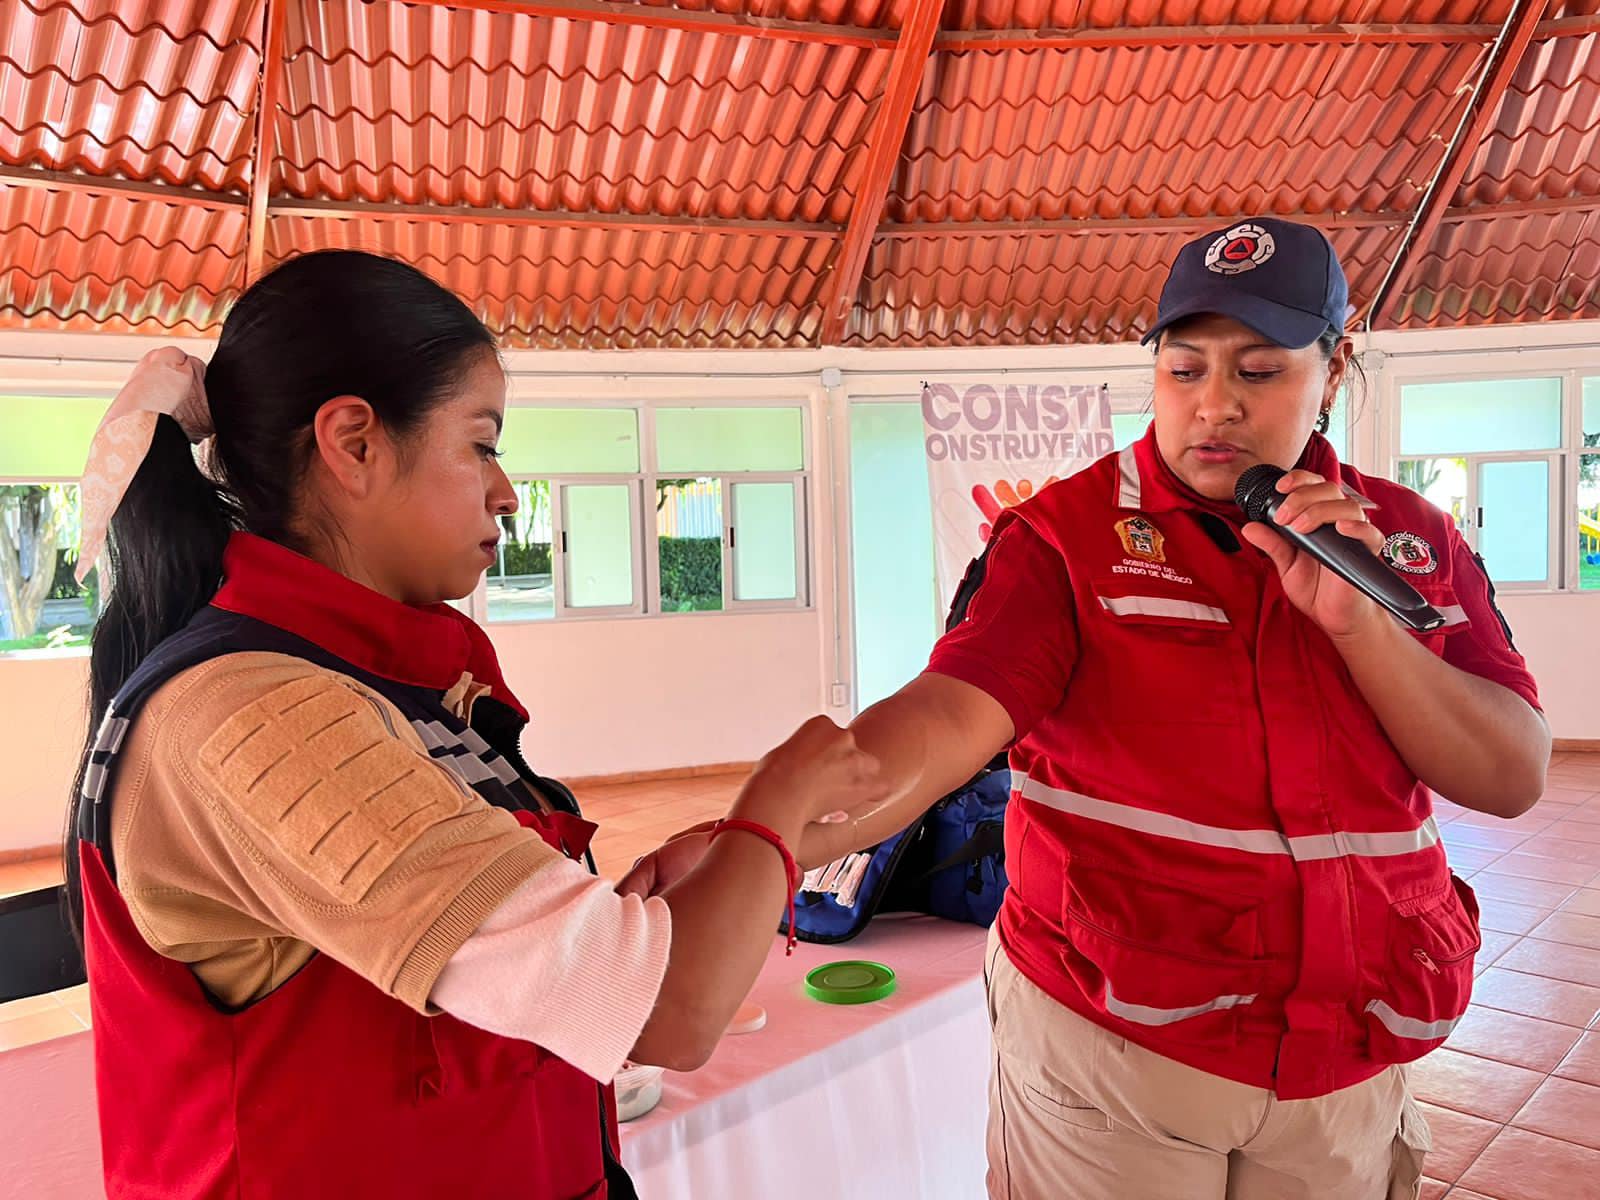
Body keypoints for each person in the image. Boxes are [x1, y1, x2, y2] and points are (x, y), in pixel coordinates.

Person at [63, 249, 884, 1200]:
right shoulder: (256, 720)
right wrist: (774, 801)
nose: (504, 490)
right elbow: (669, 1010)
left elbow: (442, 958)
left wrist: (589, 913)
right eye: (481, 442)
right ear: (354, 444)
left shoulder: (380, 681)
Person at [798, 218, 1550, 1198]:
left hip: (1343, 1061)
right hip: (1112, 1052)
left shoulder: (1409, 541)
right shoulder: (1062, 538)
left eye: (1260, 370)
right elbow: (955, 707)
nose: (1214, 407)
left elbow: (1509, 773)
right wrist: (800, 818)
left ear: (1335, 365)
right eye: (1183, 370)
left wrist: (1363, 629)